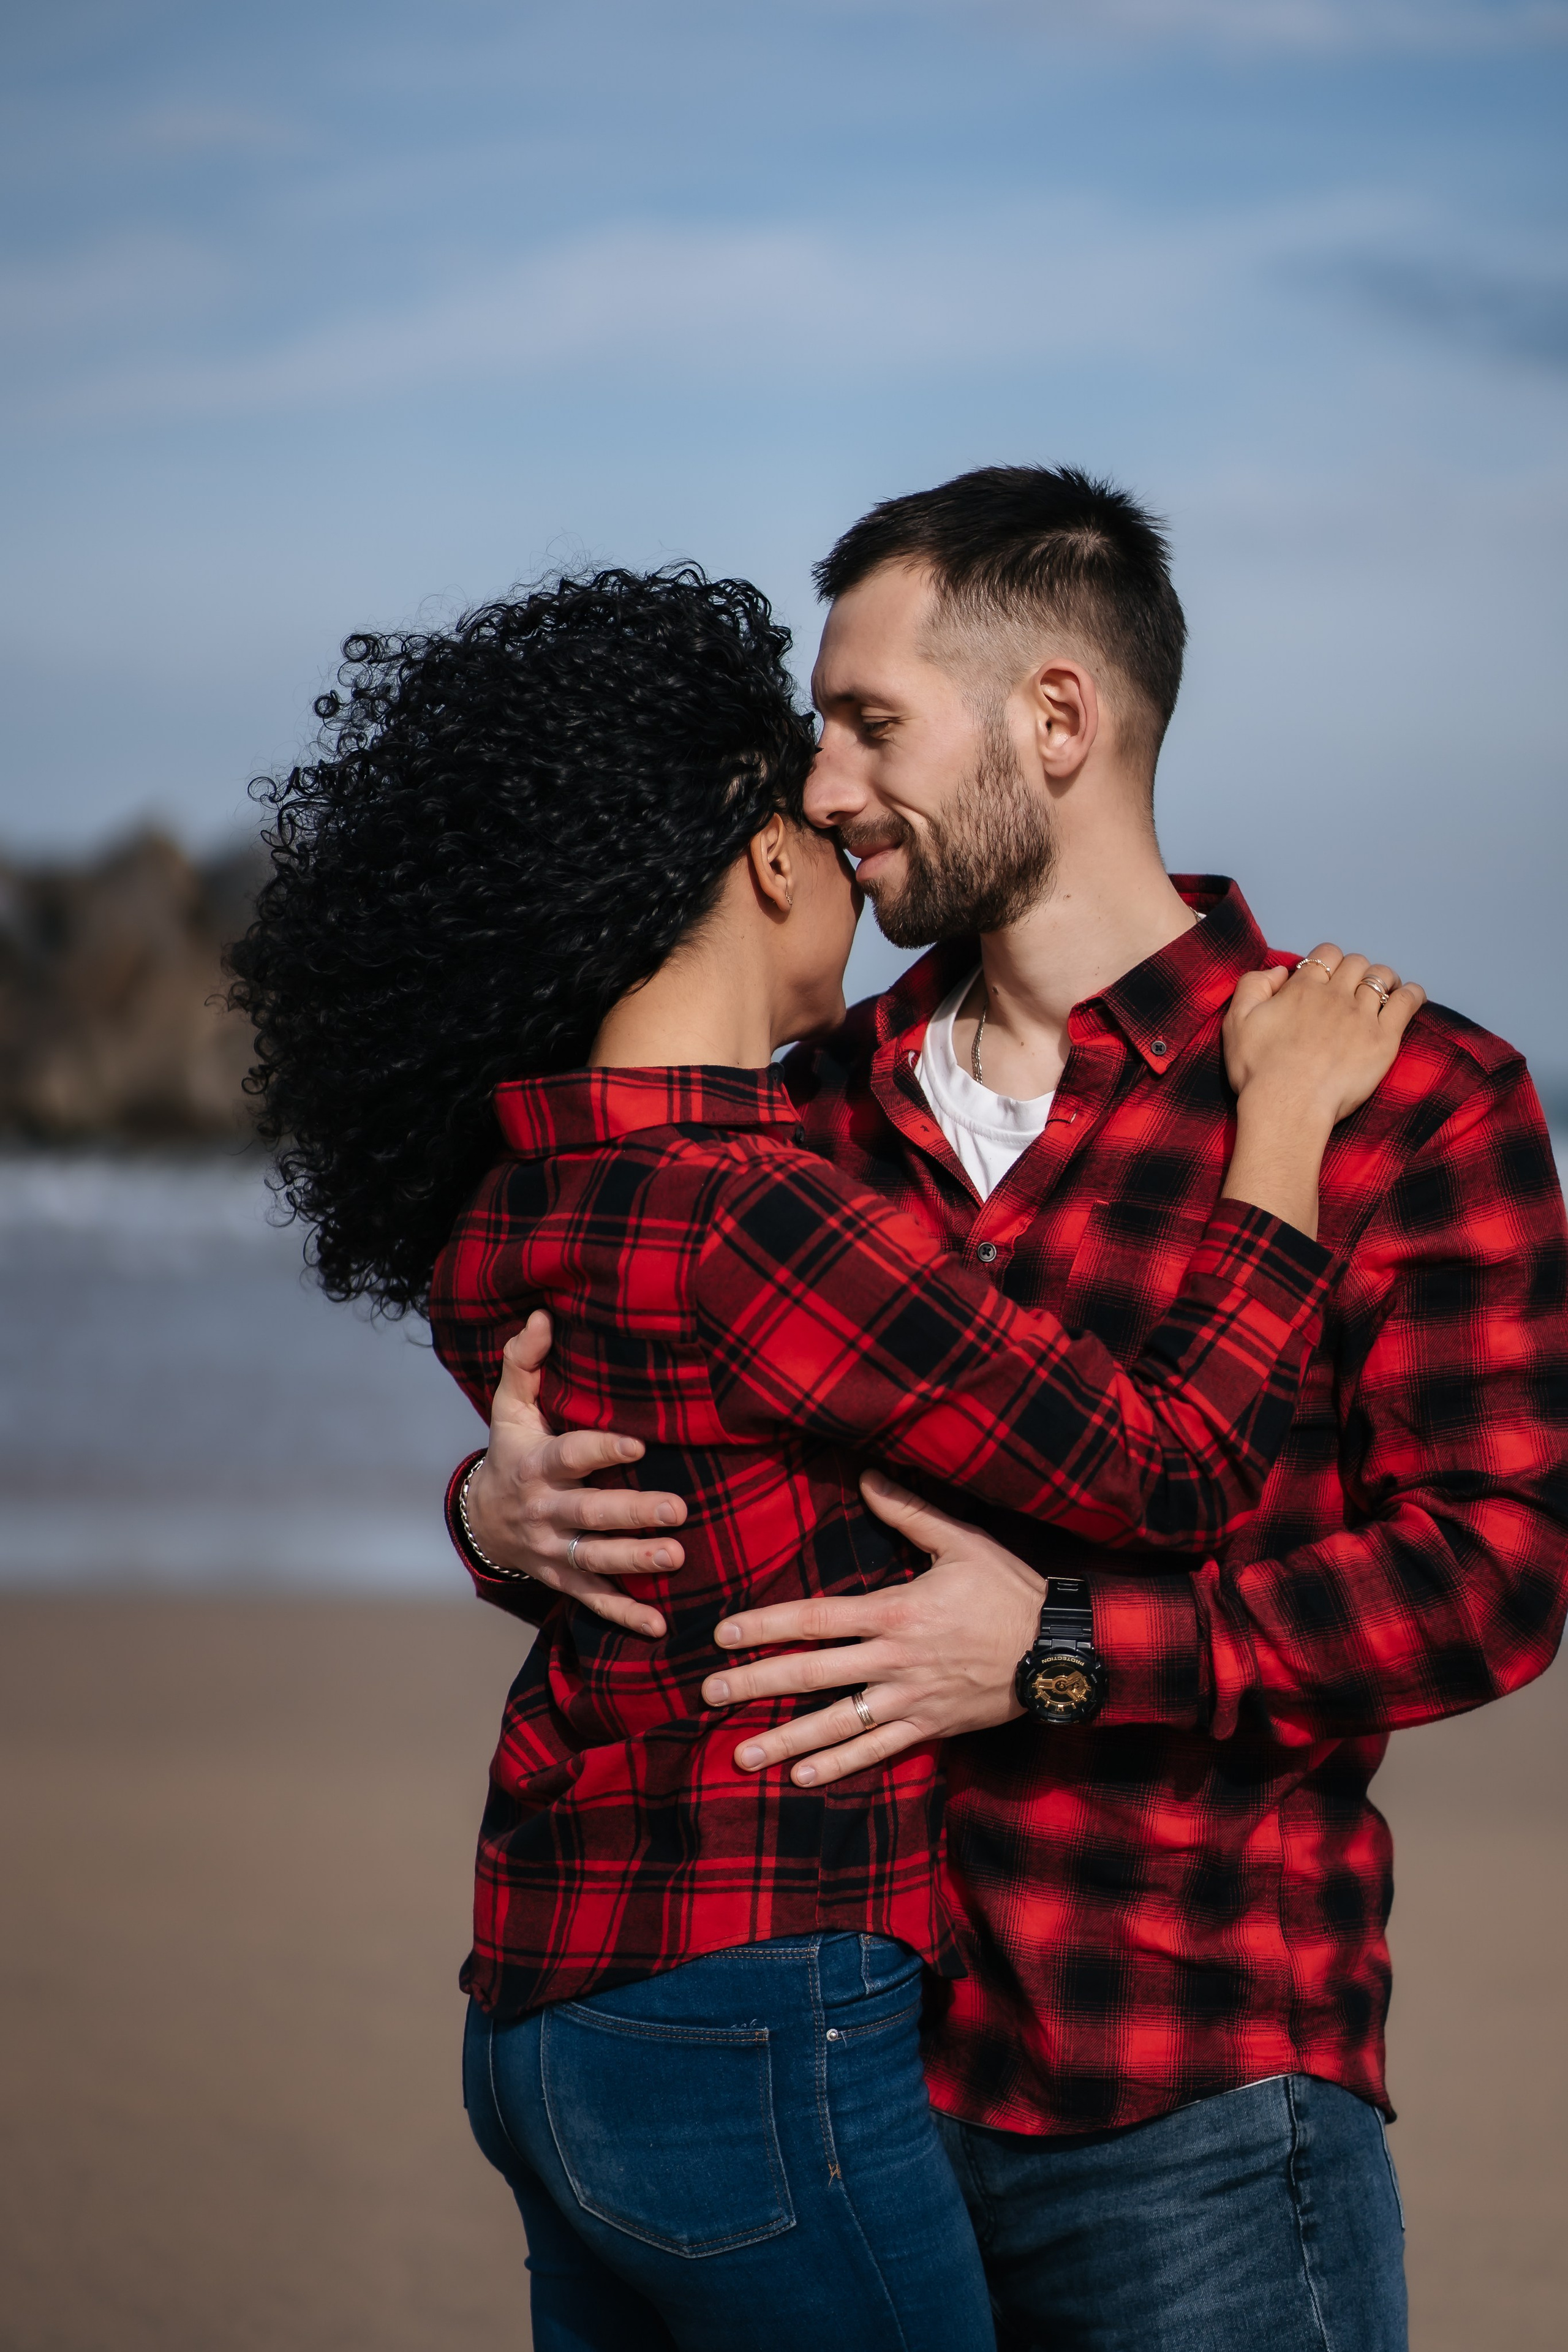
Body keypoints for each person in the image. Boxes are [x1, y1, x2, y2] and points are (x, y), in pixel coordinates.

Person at [230, 564, 1419, 2352]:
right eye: (820, 782)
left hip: (553, 1985)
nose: (849, 823)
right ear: (763, 862)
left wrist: (494, 1510)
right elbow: (1168, 1467)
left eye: (874, 733)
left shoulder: (515, 1201)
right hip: (754, 1991)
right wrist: (1283, 1137)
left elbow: (644, 1484)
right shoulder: (774, 1198)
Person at [468, 470, 1568, 2352]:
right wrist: (498, 1515)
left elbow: (1492, 1579)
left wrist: (1055, 1657)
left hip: (1191, 2088)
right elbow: (659, 1434)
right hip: (826, 2081)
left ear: (1055, 722)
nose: (819, 789)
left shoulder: (1408, 1095)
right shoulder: (802, 1106)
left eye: (870, 724)